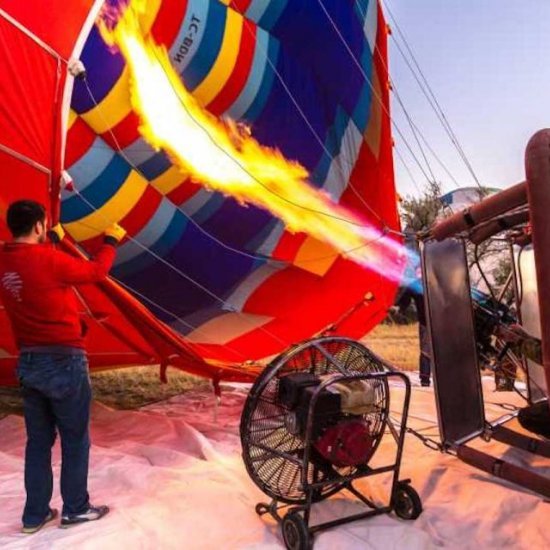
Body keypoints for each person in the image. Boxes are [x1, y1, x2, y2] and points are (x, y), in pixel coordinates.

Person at [0, 200, 125, 534]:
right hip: (64, 360)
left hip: (29, 361)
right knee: (74, 439)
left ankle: (34, 515)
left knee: (37, 442)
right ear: (40, 226)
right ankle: (75, 508)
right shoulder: (50, 260)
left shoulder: (5, 261)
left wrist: (55, 241)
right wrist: (110, 242)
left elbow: (35, 274)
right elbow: (96, 272)